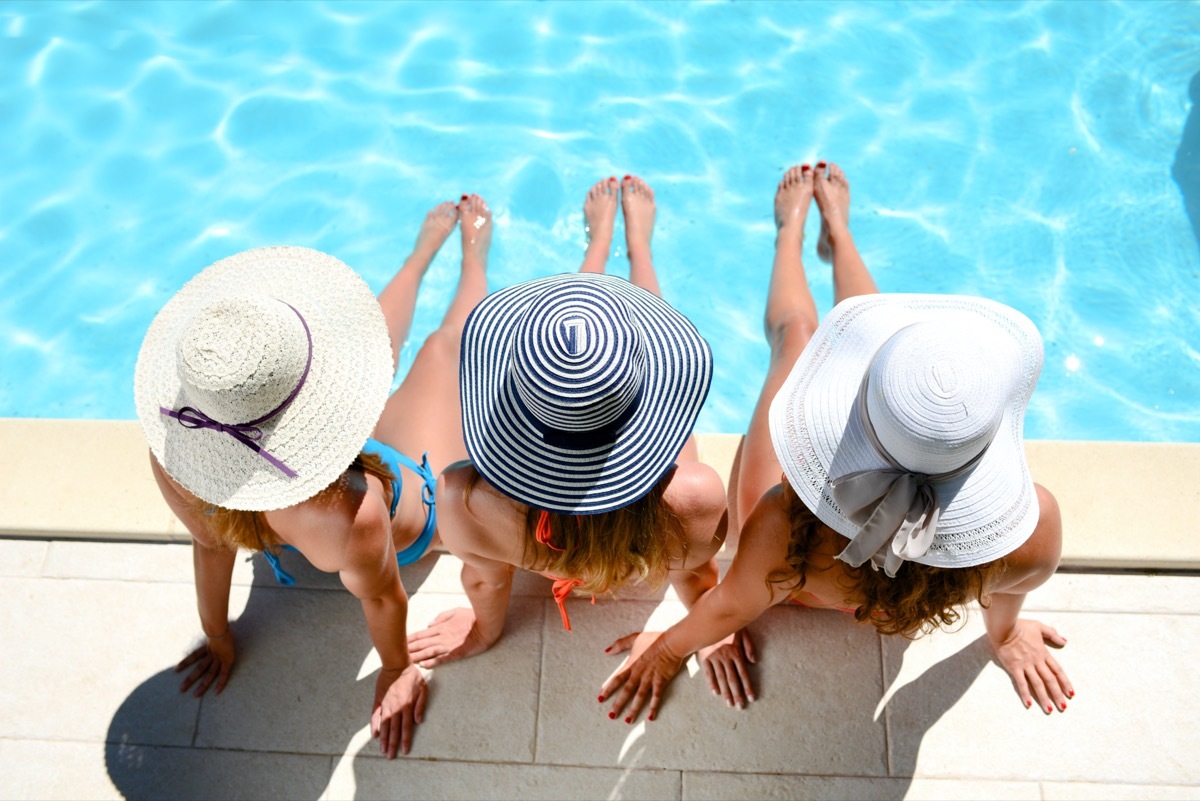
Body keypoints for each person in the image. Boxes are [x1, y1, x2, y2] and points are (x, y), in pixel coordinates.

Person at [599, 163, 1073, 722]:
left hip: (804, 566)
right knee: (896, 347)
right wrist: (1007, 635)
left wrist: (669, 649)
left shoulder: (784, 523)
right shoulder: (1031, 526)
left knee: (799, 333)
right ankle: (839, 235)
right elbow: (1008, 590)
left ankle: (792, 233)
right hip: (871, 591)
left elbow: (730, 602)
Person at [135, 194, 492, 758]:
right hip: (387, 486)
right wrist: (396, 667)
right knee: (442, 348)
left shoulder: (179, 459)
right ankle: (469, 253)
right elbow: (381, 597)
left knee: (402, 341)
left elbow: (211, 544)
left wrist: (221, 636)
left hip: (356, 485)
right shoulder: (343, 512)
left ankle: (431, 255)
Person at [408, 177, 753, 706]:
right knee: (610, 344)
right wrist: (705, 628)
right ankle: (637, 247)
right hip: (645, 529)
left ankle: (597, 246)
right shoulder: (695, 498)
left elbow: (485, 582)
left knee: (569, 336)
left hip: (529, 524)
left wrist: (484, 631)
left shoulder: (464, 497)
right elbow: (695, 571)